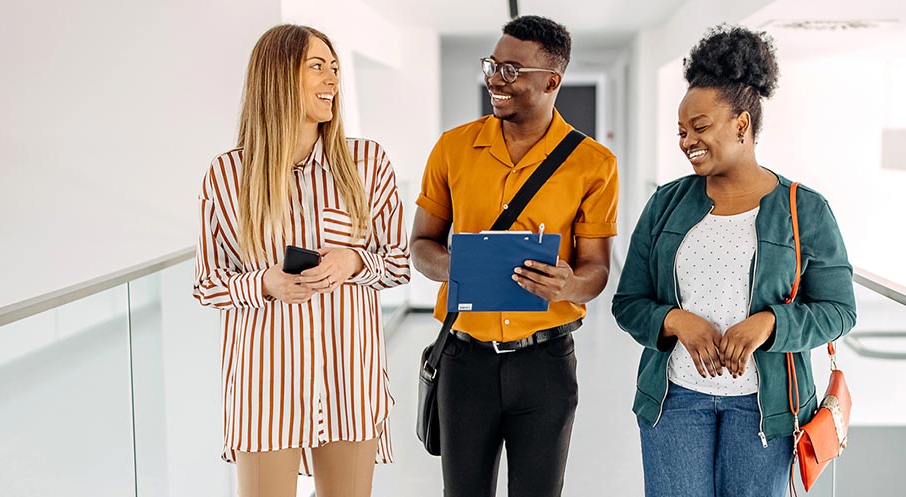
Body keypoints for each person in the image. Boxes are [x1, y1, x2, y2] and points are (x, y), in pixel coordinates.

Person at [611, 25, 857, 497]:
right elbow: (628, 303)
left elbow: (840, 310)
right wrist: (675, 320)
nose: (687, 141)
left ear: (742, 124)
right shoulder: (665, 203)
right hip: (674, 400)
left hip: (766, 409)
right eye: (682, 131)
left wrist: (770, 324)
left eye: (700, 127)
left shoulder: (804, 208)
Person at [192, 24, 410, 497]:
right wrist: (265, 283)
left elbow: (397, 264)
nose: (332, 78)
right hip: (265, 386)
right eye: (317, 66)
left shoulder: (367, 164)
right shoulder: (228, 175)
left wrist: (353, 262)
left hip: (350, 379)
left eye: (334, 68)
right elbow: (207, 283)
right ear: (277, 75)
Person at [410, 15, 619, 497]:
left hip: (545, 364)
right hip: (464, 361)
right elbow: (421, 246)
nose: (495, 79)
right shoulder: (453, 148)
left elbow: (597, 270)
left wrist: (567, 284)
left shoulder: (593, 164)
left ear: (551, 82)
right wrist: (458, 267)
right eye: (493, 65)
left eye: (511, 70)